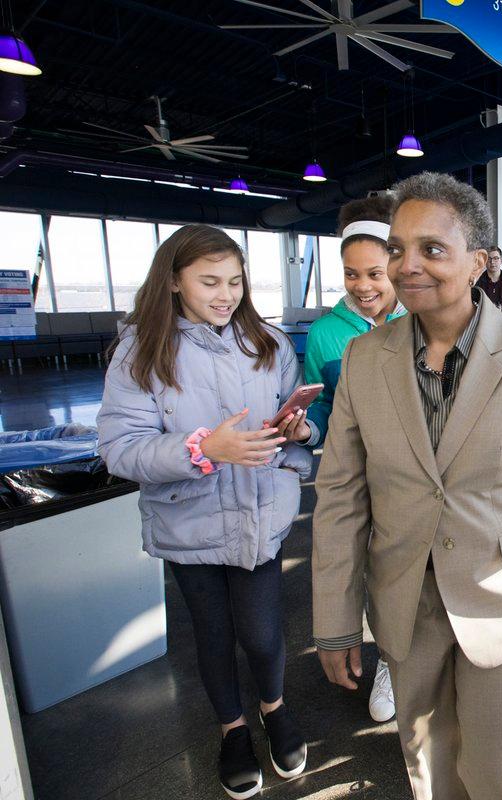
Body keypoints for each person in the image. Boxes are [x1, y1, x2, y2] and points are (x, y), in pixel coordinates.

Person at [312, 171, 502, 800]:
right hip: (406, 599)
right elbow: (340, 500)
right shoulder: (363, 359)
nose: (408, 265)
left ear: (481, 264)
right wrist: (333, 618)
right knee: (427, 763)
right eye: (399, 248)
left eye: (432, 249)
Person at [97, 225, 312, 799]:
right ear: (172, 281)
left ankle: (275, 709)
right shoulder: (141, 350)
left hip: (260, 516)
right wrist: (201, 450)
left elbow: (292, 431)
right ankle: (233, 730)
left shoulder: (268, 343)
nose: (226, 294)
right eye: (209, 281)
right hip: (187, 522)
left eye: (236, 281)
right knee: (213, 636)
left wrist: (298, 430)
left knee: (264, 636)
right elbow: (119, 449)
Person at [302, 193, 407, 724]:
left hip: (414, 472)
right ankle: (387, 655)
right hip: (359, 472)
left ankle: (411, 655)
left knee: (411, 566)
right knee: (368, 568)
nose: (363, 286)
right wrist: (307, 427)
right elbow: (320, 400)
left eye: (374, 272)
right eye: (350, 275)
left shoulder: (424, 316)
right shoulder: (325, 333)